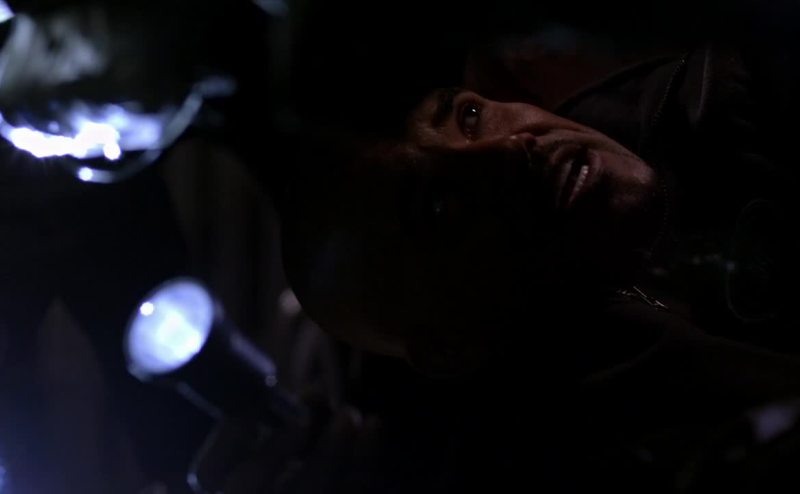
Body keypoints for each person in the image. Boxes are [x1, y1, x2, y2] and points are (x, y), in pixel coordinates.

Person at [256, 1, 800, 491]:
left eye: (469, 117)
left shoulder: (725, 96)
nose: (511, 148)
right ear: (450, 348)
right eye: (438, 206)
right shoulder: (568, 455)